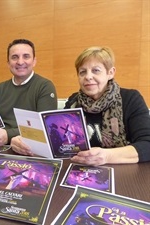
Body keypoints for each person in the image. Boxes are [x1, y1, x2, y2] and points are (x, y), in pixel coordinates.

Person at [11, 46, 150, 166]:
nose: (88, 77)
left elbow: (147, 144)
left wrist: (107, 156)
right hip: (78, 169)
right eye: (83, 72)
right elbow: (54, 139)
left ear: (110, 73)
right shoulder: (73, 101)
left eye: (96, 70)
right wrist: (23, 140)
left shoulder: (130, 98)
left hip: (123, 174)